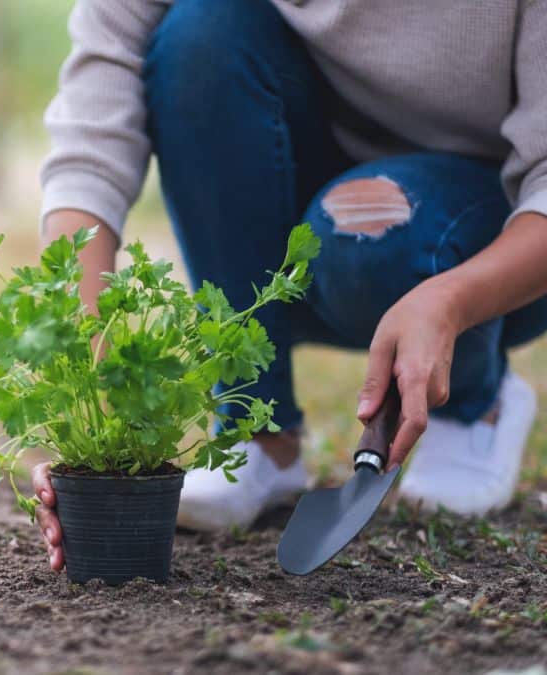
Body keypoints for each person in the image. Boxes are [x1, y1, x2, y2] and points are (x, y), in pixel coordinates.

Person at [30, 0, 547, 572]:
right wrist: (84, 399)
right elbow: (92, 134)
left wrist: (450, 301)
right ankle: (260, 431)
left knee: (367, 231)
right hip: (297, 170)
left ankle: (475, 404)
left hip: (491, 223)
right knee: (200, 35)